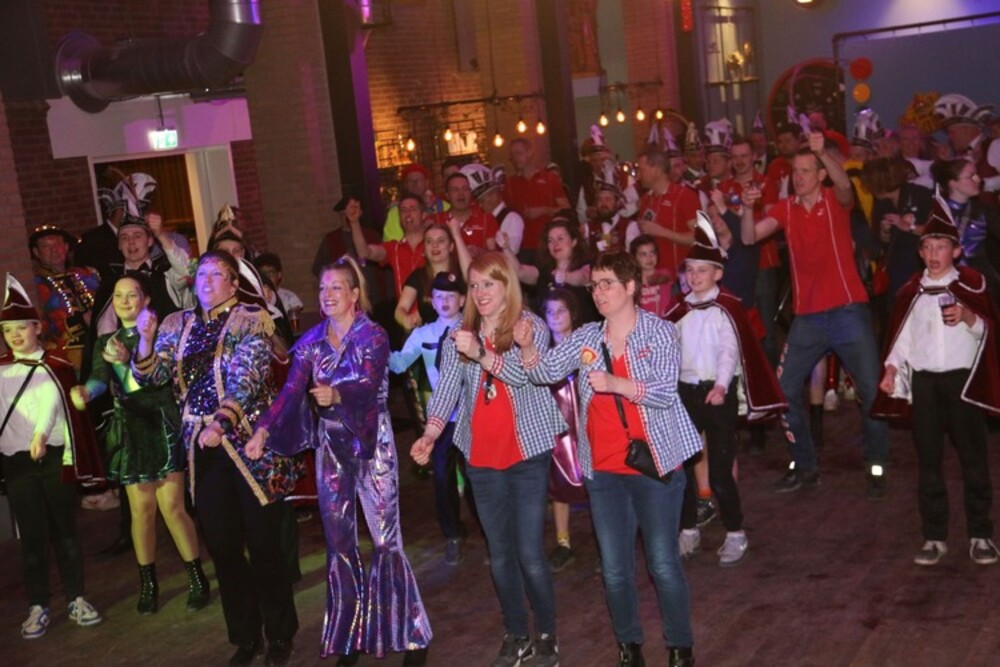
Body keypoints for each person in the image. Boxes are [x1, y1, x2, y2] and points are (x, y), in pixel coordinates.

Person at [515, 251, 700, 667]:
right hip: (603, 472)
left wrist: (616, 383)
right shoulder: (586, 338)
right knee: (615, 570)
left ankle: (680, 648)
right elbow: (544, 372)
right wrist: (528, 348)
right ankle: (628, 648)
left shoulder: (659, 332)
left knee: (662, 564)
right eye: (594, 285)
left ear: (630, 287)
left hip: (654, 465)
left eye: (607, 284)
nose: (598, 292)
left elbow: (664, 392)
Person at [246, 256, 431, 666]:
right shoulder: (311, 342)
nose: (327, 294)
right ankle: (350, 636)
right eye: (322, 288)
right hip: (331, 447)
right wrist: (263, 430)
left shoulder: (373, 335)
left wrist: (338, 393)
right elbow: (290, 391)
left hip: (371, 443)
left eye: (335, 287)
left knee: (385, 540)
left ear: (353, 294)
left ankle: (411, 634)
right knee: (339, 544)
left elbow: (369, 382)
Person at [131, 251, 300, 667]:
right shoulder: (177, 324)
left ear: (233, 282)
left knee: (263, 545)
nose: (206, 281)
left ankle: (280, 633)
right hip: (201, 449)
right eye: (201, 274)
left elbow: (249, 377)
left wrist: (222, 422)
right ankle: (246, 636)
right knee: (223, 547)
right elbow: (150, 376)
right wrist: (146, 339)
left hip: (248, 445)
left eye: (216, 274)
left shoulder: (249, 319)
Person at [410, 252, 563, 667]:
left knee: (529, 553)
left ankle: (546, 633)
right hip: (480, 457)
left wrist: (480, 353)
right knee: (500, 554)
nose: (479, 293)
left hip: (526, 454)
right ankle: (516, 633)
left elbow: (523, 376)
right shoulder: (460, 335)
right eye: (474, 285)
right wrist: (430, 433)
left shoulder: (530, 328)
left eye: (488, 284)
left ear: (507, 285)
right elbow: (446, 390)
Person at [741, 132, 891, 499]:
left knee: (871, 390)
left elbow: (846, 187)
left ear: (821, 173)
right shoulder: (786, 208)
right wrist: (746, 207)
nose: (799, 177)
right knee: (783, 391)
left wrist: (824, 153)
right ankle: (805, 465)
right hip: (807, 317)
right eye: (795, 171)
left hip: (847, 310)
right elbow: (749, 238)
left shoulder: (834, 199)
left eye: (806, 170)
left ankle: (876, 465)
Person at [71, 274, 209, 615]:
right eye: (118, 296)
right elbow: (99, 378)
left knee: (172, 507)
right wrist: (87, 391)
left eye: (132, 295)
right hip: (131, 431)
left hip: (160, 425)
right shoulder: (106, 341)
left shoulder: (162, 335)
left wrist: (125, 360)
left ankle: (197, 577)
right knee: (141, 511)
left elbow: (150, 382)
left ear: (146, 299)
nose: (124, 301)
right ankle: (148, 584)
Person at [873, 198, 1000, 566]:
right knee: (929, 461)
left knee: (973, 460)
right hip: (926, 384)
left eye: (941, 247)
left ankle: (980, 534)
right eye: (927, 247)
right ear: (920, 251)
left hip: (963, 384)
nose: (933, 254)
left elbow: (988, 333)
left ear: (956, 251)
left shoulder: (971, 286)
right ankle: (934, 536)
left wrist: (968, 316)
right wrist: (891, 368)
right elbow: (902, 338)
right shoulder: (912, 292)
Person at [665, 214, 786, 566]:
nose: (694, 277)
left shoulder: (727, 308)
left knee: (719, 470)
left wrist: (721, 385)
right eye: (690, 270)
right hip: (686, 393)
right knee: (684, 468)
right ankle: (688, 529)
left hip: (717, 393)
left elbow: (729, 351)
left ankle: (735, 532)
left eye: (702, 271)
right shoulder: (680, 308)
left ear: (718, 273)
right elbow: (668, 347)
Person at [1, 274, 104, 639]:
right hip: (17, 463)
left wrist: (41, 435)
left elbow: (51, 405)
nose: (15, 336)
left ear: (37, 327)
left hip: (54, 457)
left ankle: (76, 597)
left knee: (64, 531)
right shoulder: (1, 369)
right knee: (31, 537)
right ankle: (37, 605)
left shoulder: (57, 366)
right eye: (7, 330)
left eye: (21, 328)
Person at [389, 271, 478, 566]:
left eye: (451, 296)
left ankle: (490, 533)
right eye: (439, 296)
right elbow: (399, 364)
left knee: (476, 477)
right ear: (431, 300)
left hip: (471, 417)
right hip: (441, 421)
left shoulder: (472, 331)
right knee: (441, 477)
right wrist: (376, 349)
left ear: (462, 299)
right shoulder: (423, 334)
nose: (445, 301)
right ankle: (453, 534)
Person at [539, 289, 590, 573]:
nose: (555, 317)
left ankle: (606, 541)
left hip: (588, 424)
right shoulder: (541, 353)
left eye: (561, 311)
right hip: (557, 429)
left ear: (573, 313)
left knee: (597, 482)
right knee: (558, 483)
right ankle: (563, 542)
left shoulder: (586, 347)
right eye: (550, 312)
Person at [499, 214, 597, 323]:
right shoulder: (544, 271)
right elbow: (519, 271)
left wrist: (566, 277)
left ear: (574, 241)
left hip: (582, 330)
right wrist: (506, 248)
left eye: (560, 238)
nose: (555, 244)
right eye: (550, 240)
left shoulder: (587, 266)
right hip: (549, 330)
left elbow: (582, 277)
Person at [29, 225, 101, 371]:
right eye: (46, 246)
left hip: (101, 342)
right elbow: (41, 327)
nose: (54, 250)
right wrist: (80, 321)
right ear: (36, 252)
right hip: (66, 355)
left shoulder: (86, 274)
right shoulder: (36, 285)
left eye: (57, 244)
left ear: (66, 247)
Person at [931, 158, 1000, 305]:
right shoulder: (937, 211)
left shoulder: (984, 211)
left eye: (976, 174)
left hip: (980, 282)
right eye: (970, 176)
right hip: (945, 281)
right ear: (953, 183)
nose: (978, 179)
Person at [349, 191, 427, 299]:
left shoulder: (433, 246)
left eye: (413, 209)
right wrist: (354, 222)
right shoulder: (395, 248)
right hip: (404, 309)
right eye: (403, 210)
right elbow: (364, 252)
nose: (407, 214)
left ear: (423, 215)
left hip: (434, 308)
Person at [505, 138, 571, 261]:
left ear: (530, 153)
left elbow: (566, 210)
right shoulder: (510, 184)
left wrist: (544, 210)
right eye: (512, 155)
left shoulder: (550, 178)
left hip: (548, 244)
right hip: (522, 248)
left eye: (518, 153)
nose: (515, 158)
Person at [635, 144, 699, 273]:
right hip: (653, 277)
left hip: (680, 277)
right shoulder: (646, 200)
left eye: (642, 170)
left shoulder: (685, 196)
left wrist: (663, 232)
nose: (638, 176)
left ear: (656, 169)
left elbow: (699, 238)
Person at [432, 172, 499, 256]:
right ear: (447, 195)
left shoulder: (486, 219)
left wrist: (479, 252)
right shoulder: (437, 221)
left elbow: (496, 256)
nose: (461, 194)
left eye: (465, 189)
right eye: (455, 190)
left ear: (470, 192)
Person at [382, 163, 449, 243]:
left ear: (427, 183)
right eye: (410, 181)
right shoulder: (395, 212)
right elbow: (390, 244)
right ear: (405, 185)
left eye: (419, 180)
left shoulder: (445, 207)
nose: (415, 183)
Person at [629, 234, 675, 318]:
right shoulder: (631, 282)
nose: (649, 258)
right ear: (635, 258)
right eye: (643, 254)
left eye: (652, 253)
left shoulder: (665, 275)